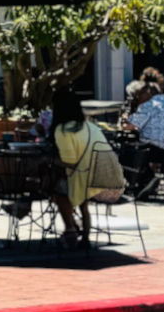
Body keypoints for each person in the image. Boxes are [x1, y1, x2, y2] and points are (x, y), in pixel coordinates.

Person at [51, 91, 121, 250]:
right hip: (109, 182)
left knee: (57, 190)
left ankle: (70, 228)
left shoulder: (62, 130)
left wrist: (51, 160)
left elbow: (70, 162)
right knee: (80, 201)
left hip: (87, 184)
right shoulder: (91, 126)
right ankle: (83, 235)